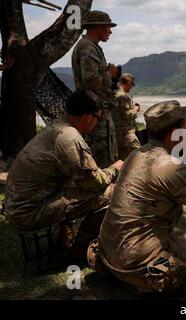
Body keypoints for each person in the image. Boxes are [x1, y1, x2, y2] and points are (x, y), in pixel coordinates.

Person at [92, 100, 186, 295]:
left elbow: (165, 169)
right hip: (137, 265)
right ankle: (154, 284)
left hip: (110, 256)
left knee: (180, 235)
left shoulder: (137, 154)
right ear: (175, 135)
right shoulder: (170, 167)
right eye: (185, 129)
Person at [3, 89, 123, 251]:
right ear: (89, 117)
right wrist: (115, 169)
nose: (97, 123)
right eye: (98, 118)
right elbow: (93, 182)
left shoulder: (57, 126)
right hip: (28, 212)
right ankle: (82, 245)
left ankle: (67, 232)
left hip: (18, 205)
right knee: (113, 192)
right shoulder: (69, 137)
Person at [71, 10, 119, 168]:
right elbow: (91, 83)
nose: (110, 31)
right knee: (100, 163)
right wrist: (109, 74)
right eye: (107, 27)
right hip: (95, 116)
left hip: (98, 114)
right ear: (97, 27)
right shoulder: (87, 48)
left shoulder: (91, 47)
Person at [113, 73, 141, 160]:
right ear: (128, 82)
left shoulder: (115, 94)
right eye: (132, 84)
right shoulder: (123, 96)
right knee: (137, 158)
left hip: (117, 134)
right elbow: (127, 115)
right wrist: (136, 109)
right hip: (126, 134)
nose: (132, 87)